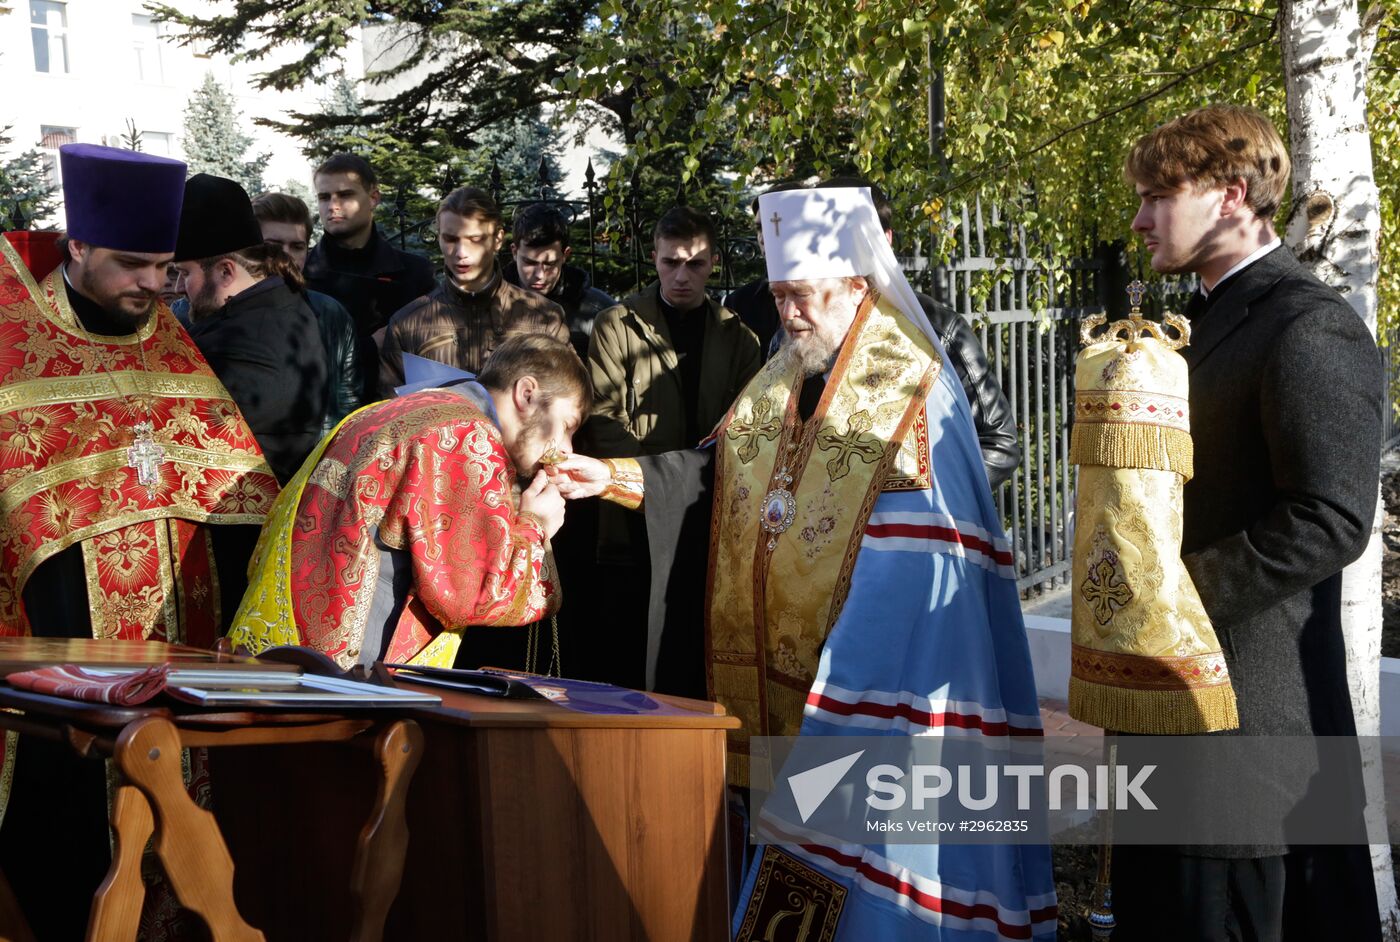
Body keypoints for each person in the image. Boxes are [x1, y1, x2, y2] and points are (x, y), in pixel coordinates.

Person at [551, 187, 1055, 939]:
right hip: (776, 680)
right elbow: (716, 477)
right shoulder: (783, 377)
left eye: (803, 296)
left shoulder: (913, 384)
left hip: (872, 680)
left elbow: (925, 551)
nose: (788, 314)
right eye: (779, 295)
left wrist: (850, 667)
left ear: (858, 285)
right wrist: (617, 478)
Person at [1111, 105, 1384, 940]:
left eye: (1160, 193)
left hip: (1249, 734)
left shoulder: (1308, 325)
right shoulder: (1204, 322)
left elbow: (1330, 517)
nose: (1140, 216)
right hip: (1179, 713)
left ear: (1231, 197)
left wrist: (1170, 597)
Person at [0, 143, 279, 940]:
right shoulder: (14, 345)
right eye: (131, 265)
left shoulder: (168, 343)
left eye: (164, 267)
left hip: (178, 671)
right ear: (78, 246)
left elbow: (237, 493)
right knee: (67, 867)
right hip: (54, 674)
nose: (153, 286)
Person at [228, 333, 585, 671]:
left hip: (286, 641)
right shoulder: (465, 434)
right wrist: (536, 526)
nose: (567, 448)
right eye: (567, 425)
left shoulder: (390, 410)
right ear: (526, 393)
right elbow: (467, 595)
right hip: (350, 671)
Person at [582, 205, 762, 690]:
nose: (682, 275)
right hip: (629, 520)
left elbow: (745, 430)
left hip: (706, 518)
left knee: (693, 664)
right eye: (670, 263)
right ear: (655, 259)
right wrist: (652, 487)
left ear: (714, 262)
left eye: (695, 264)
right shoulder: (616, 325)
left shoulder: (739, 338)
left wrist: (693, 487)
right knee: (628, 660)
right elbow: (602, 418)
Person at [173, 173, 331, 484]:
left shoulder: (242, 339)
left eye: (184, 272)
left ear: (226, 271)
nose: (179, 286)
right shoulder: (280, 305)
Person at [378, 187, 568, 394]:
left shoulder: (544, 317)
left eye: (475, 239)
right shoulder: (406, 324)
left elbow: (567, 402)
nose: (461, 253)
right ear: (439, 237)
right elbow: (389, 412)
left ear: (497, 239)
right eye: (451, 239)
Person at [303, 153, 436, 394]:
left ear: (373, 198)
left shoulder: (415, 274)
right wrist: (370, 346)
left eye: (345, 195)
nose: (333, 206)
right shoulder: (299, 274)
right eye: (324, 197)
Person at [252, 190, 364, 432]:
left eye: (297, 246)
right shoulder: (214, 311)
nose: (287, 256)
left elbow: (348, 406)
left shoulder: (331, 314)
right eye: (273, 246)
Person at [503, 203, 616, 358]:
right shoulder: (489, 304)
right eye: (529, 263)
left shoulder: (598, 312)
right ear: (514, 252)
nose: (539, 275)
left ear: (565, 255)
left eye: (549, 264)